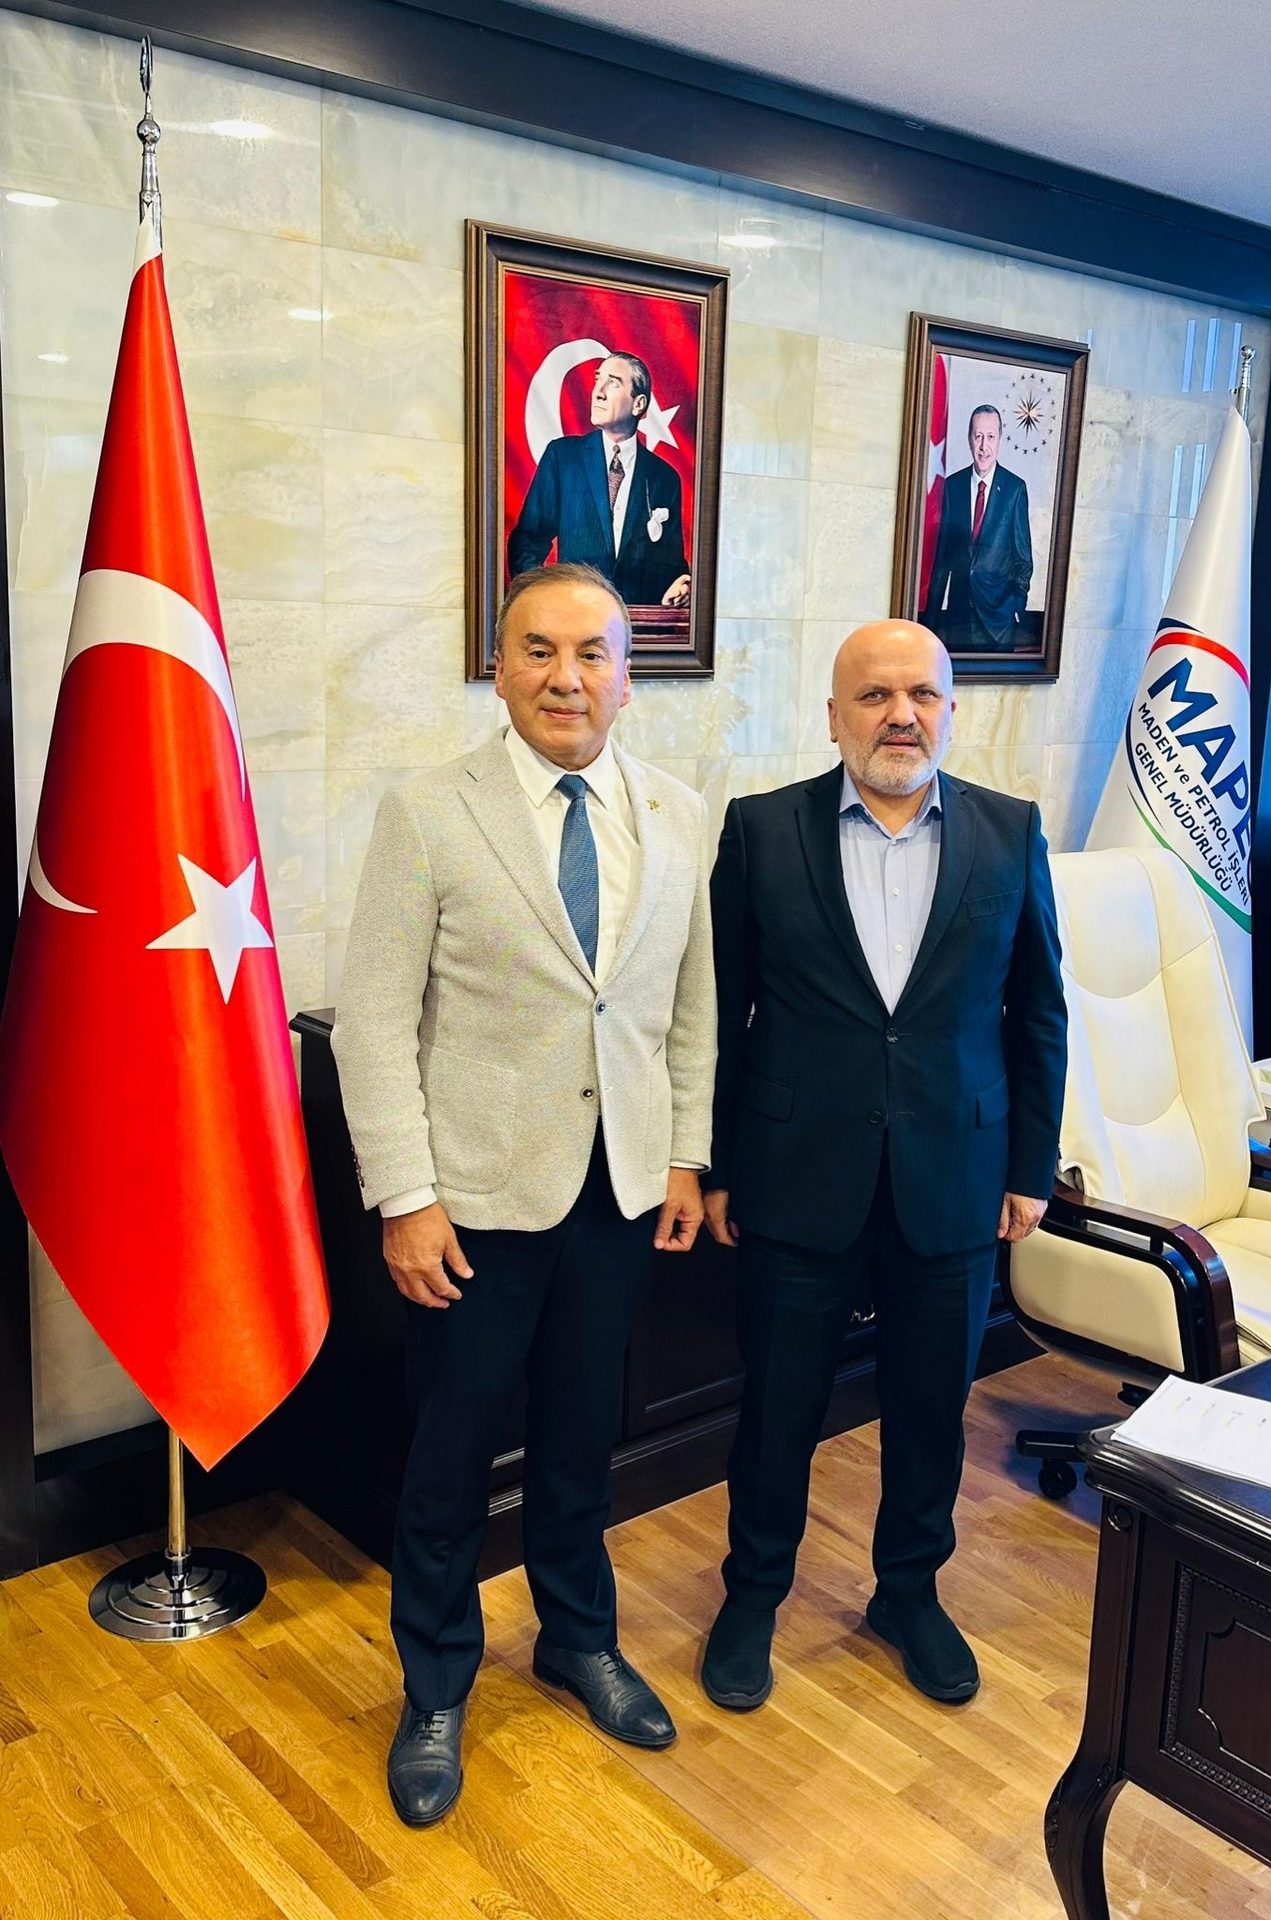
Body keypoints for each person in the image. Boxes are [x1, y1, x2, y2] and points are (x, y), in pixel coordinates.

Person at [332, 563, 714, 1827]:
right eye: (538, 651)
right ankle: (436, 1685)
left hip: (617, 1193)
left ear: (627, 675)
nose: (566, 677)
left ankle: (576, 1640)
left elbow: (688, 1008)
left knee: (580, 1442)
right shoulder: (427, 813)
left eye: (592, 653)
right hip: (473, 1207)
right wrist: (405, 1196)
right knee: (449, 1459)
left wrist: (684, 1154)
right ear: (497, 669)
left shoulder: (678, 814)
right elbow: (374, 1023)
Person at [698, 619, 1066, 1713]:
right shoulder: (762, 830)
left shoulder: (1009, 831)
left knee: (928, 1409)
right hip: (794, 1175)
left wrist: (1030, 1167)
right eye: (873, 696)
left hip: (956, 1176)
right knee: (777, 1410)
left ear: (950, 710)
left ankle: (908, 1593)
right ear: (833, 716)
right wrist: (712, 1166)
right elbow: (717, 1012)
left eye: (922, 695)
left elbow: (1038, 1014)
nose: (900, 715)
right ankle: (752, 1597)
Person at [508, 352, 692, 609]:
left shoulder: (664, 477)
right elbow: (528, 541)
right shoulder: (563, 457)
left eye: (613, 383)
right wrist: (542, 602)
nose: (598, 392)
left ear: (638, 404)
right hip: (573, 619)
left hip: (638, 626)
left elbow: (672, 564)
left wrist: (681, 586)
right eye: (598, 380)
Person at [924, 403, 1033, 651]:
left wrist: (1015, 607)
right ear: (969, 440)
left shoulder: (1015, 489)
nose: (984, 446)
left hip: (998, 624)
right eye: (978, 436)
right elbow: (942, 561)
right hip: (958, 621)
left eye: (991, 437)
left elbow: (1023, 560)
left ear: (1000, 440)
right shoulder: (952, 487)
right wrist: (930, 623)